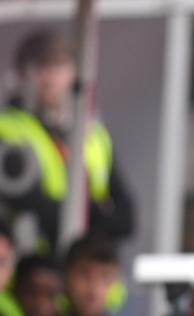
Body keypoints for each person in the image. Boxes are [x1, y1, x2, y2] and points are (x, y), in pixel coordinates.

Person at [0, 31, 134, 255]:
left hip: (87, 261)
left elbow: (126, 218)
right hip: (35, 261)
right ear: (21, 76)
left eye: (59, 66)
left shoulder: (95, 135)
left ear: (74, 73)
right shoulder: (7, 129)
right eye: (41, 67)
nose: (50, 77)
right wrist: (99, 214)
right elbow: (34, 207)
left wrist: (94, 220)